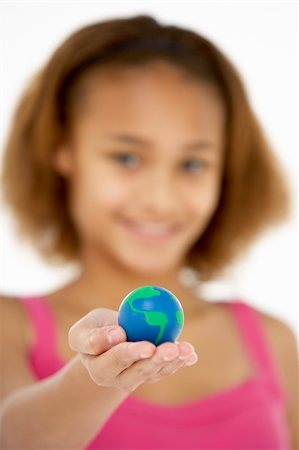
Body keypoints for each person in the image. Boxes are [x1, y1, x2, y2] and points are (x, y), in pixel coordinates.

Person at [0, 14, 298, 450]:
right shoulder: (9, 327)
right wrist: (95, 377)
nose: (160, 199)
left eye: (192, 164)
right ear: (62, 149)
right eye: (126, 157)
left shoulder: (273, 340)